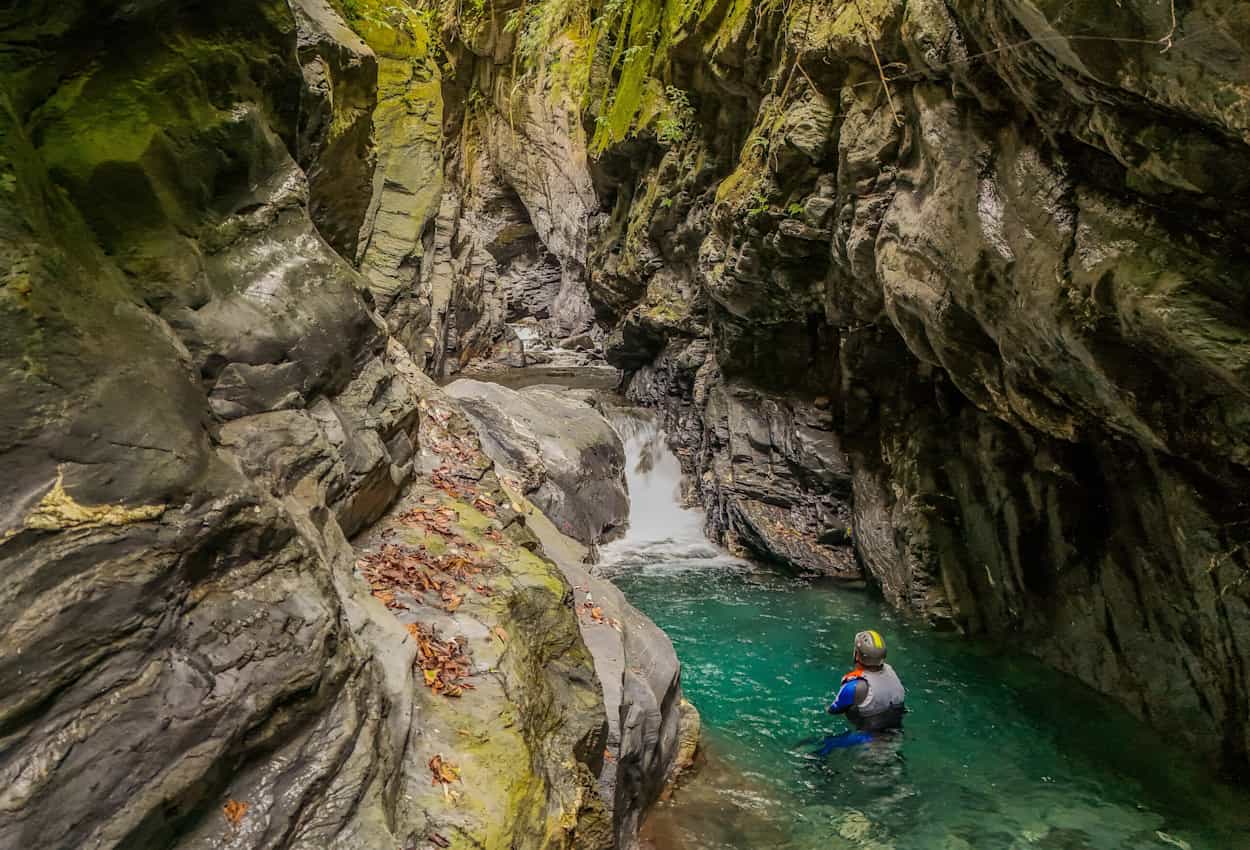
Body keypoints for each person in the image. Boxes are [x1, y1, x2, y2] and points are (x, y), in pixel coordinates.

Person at [817, 629, 906, 753]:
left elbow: (833, 710)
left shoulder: (855, 686)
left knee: (822, 745)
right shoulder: (891, 672)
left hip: (869, 740)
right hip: (896, 736)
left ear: (857, 655)